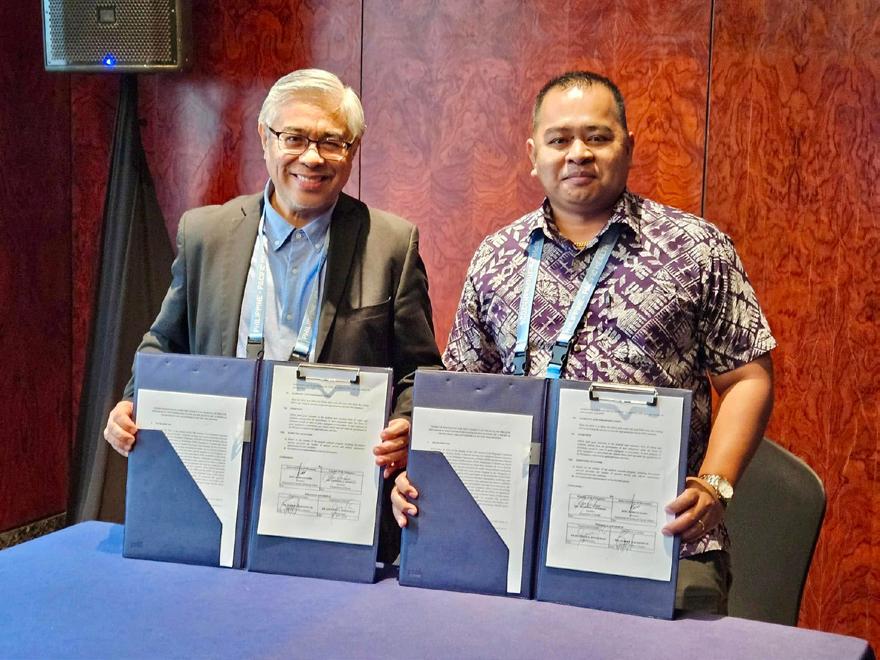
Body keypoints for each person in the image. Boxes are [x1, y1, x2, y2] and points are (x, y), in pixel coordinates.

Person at [391, 71, 775, 613]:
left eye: (597, 137)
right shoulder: (496, 257)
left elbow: (747, 378)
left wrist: (715, 484)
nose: (578, 153)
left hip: (660, 542)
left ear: (628, 146)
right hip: (512, 542)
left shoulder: (696, 249)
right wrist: (422, 475)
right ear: (533, 154)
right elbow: (463, 397)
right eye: (559, 139)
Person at [104, 68, 442, 561]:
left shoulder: (391, 244)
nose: (312, 157)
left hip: (333, 504)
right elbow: (164, 344)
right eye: (295, 137)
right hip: (217, 491)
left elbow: (420, 370)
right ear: (265, 138)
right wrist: (133, 403)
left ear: (353, 151)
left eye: (332, 142)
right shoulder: (206, 234)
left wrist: (406, 422)